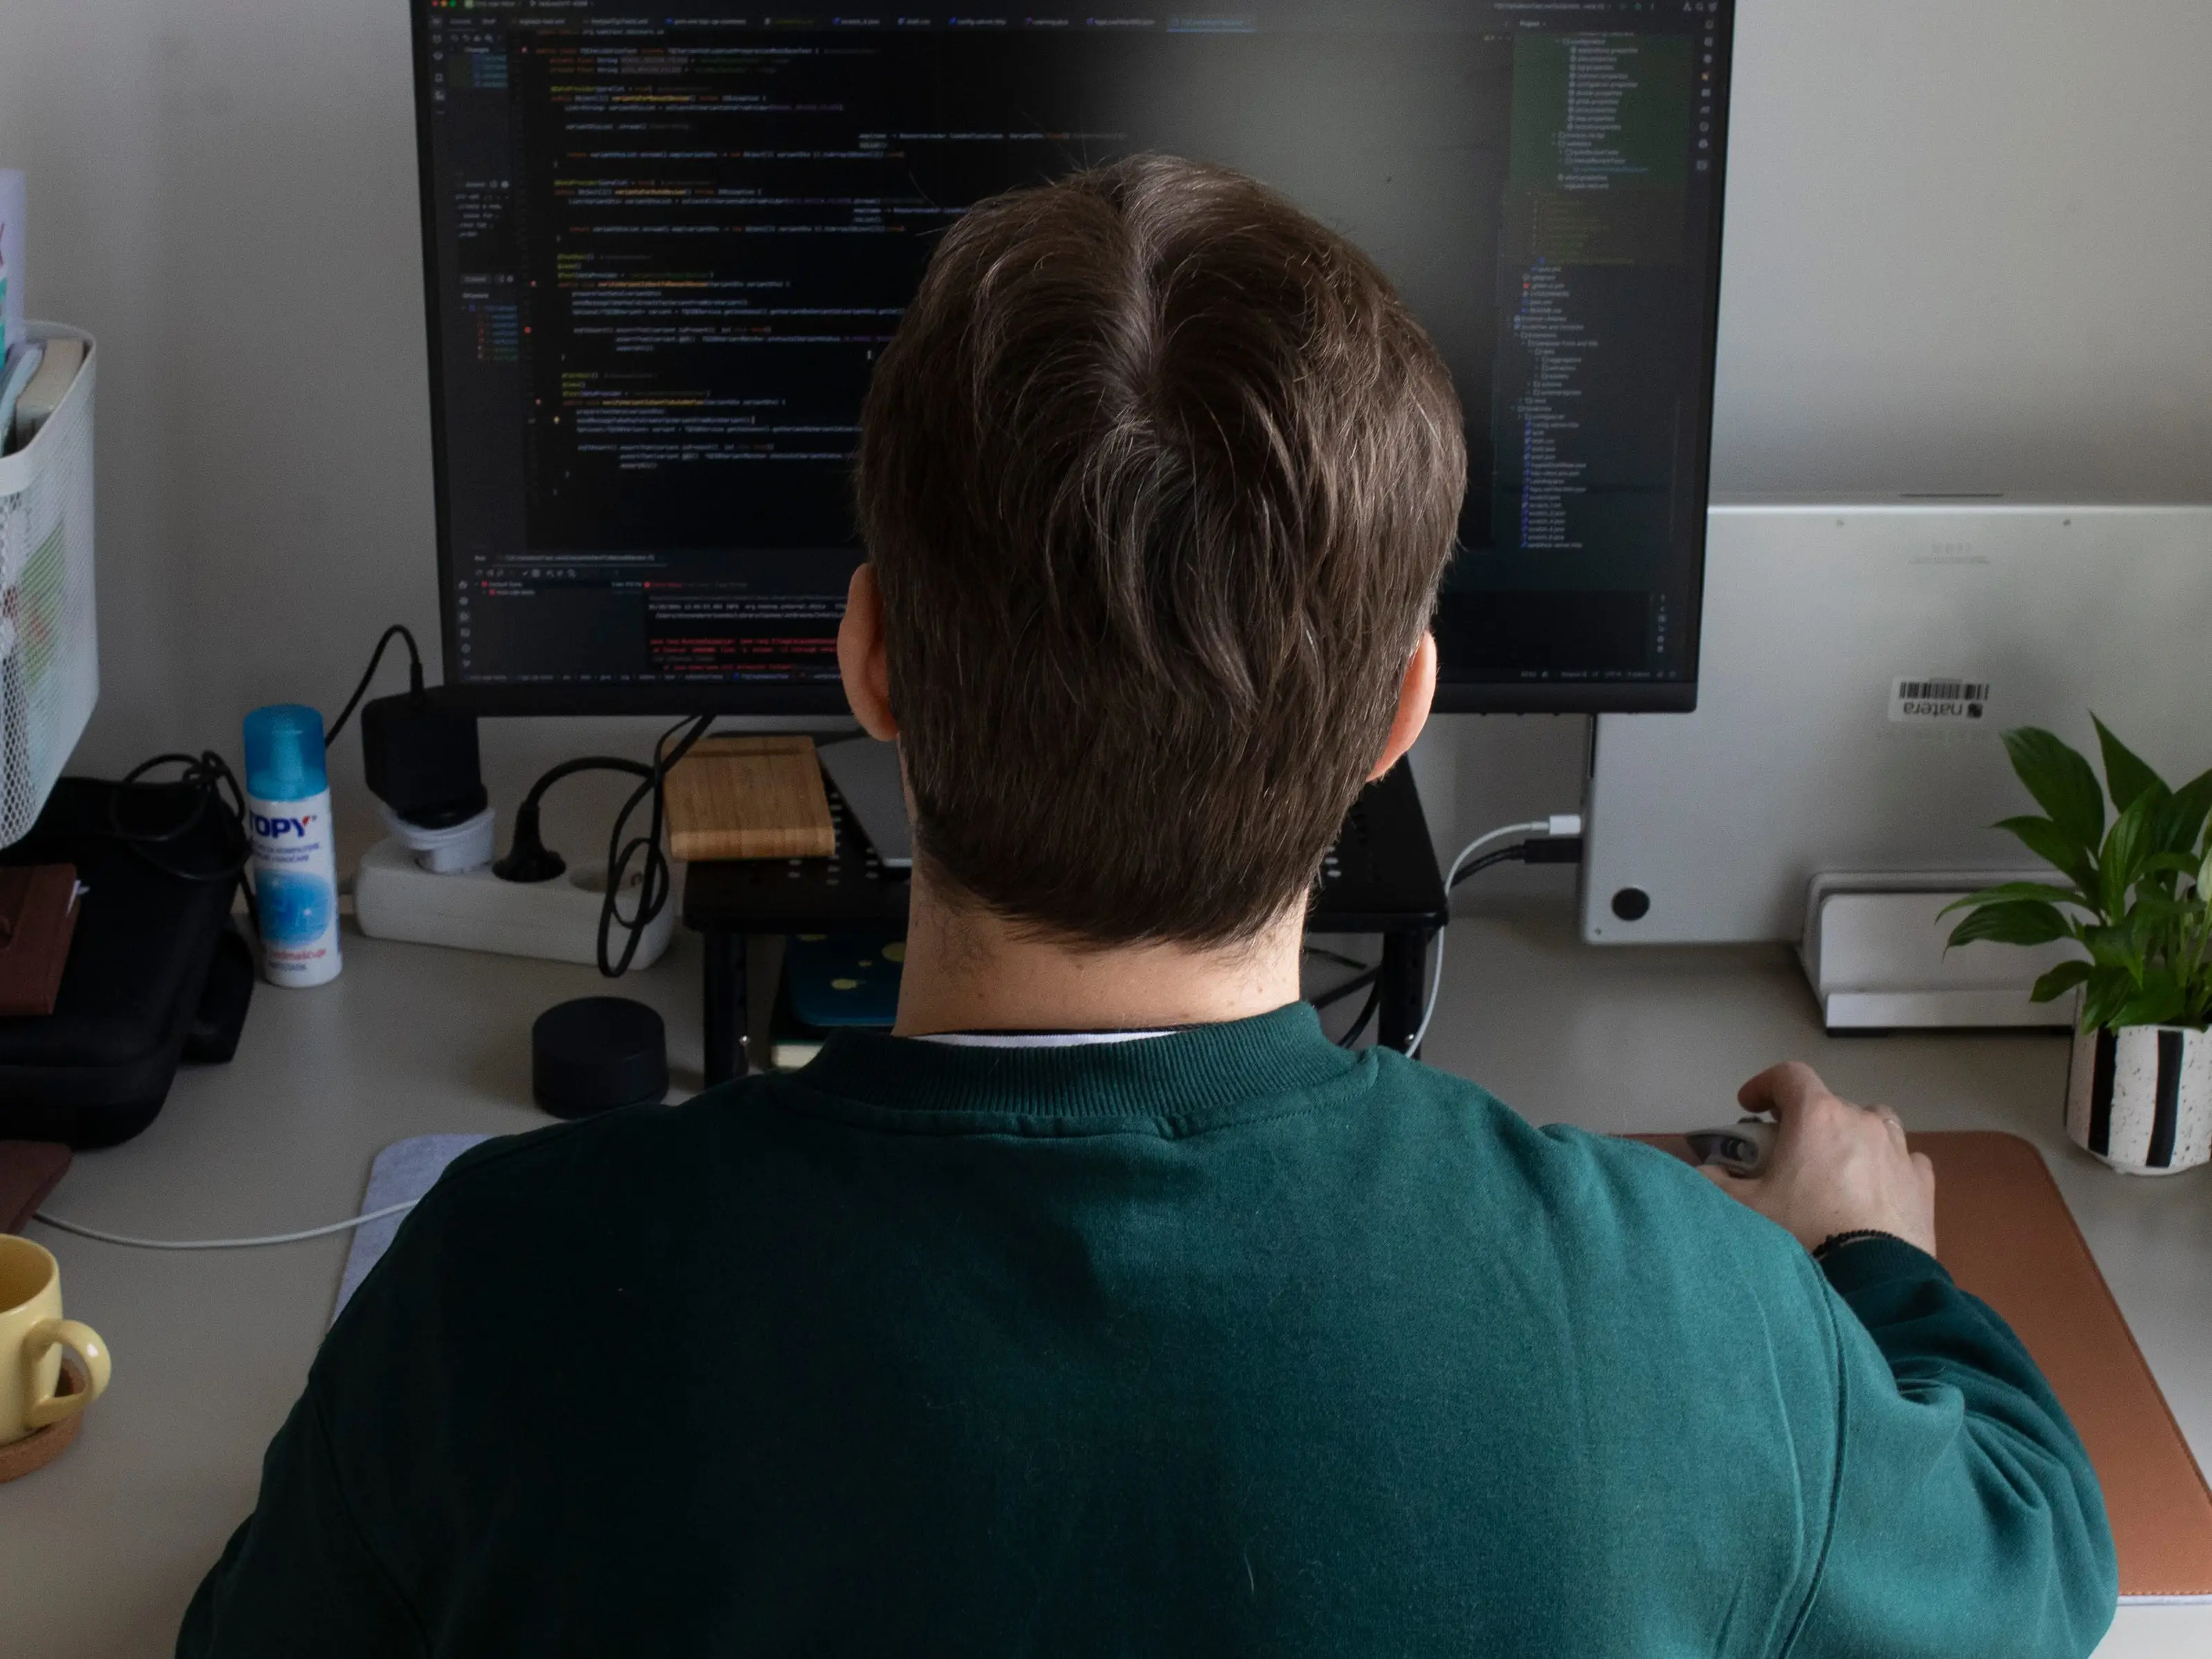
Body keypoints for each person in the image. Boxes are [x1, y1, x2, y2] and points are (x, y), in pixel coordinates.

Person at [179, 155, 2115, 1657]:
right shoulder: (1683, 1321)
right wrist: (1868, 1261)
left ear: (867, 659)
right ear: (1401, 715)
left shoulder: (504, 1295)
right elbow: (2043, 1561)